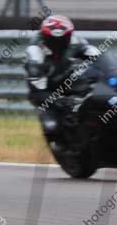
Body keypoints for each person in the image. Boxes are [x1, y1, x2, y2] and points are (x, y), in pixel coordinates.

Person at [24, 15, 100, 154]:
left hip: (66, 78)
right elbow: (38, 87)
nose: (58, 44)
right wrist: (58, 101)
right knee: (52, 126)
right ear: (45, 37)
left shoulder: (75, 41)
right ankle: (63, 146)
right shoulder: (35, 53)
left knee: (94, 88)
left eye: (63, 39)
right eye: (53, 40)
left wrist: (114, 67)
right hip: (43, 89)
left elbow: (97, 56)